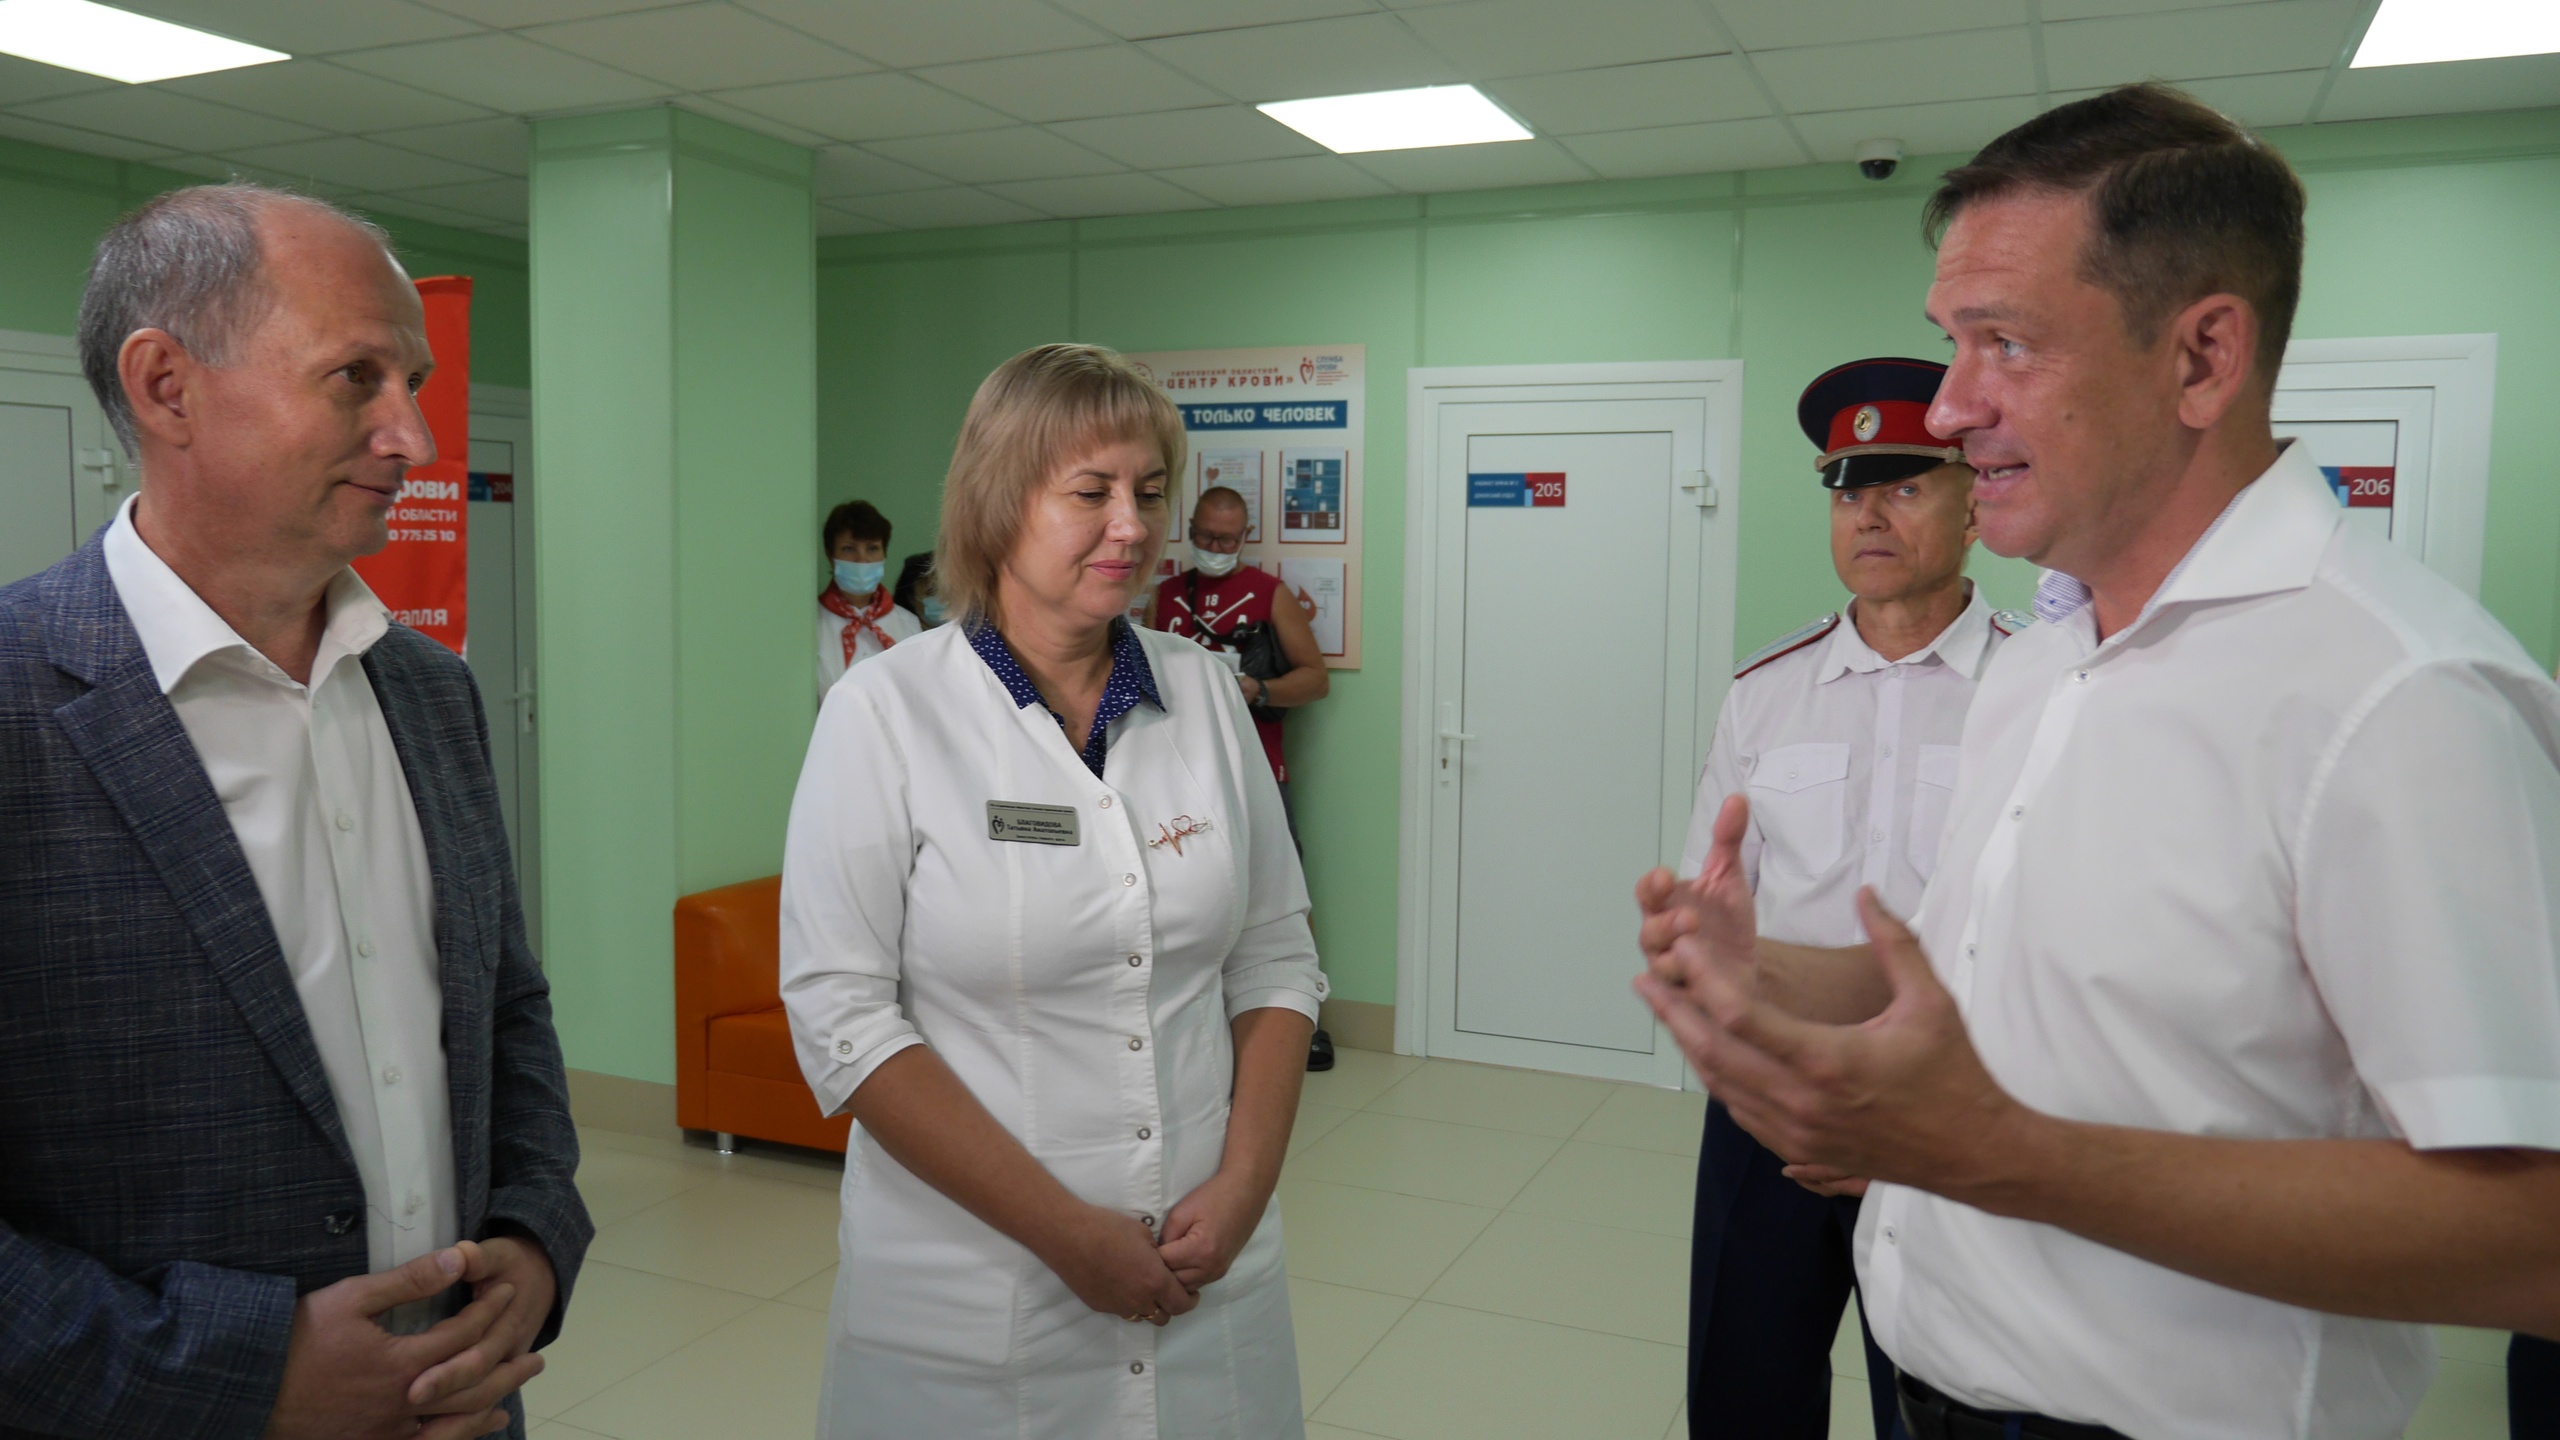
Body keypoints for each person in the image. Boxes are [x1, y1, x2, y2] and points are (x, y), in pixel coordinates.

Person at [1636, 84, 2560, 1440]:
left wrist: (1999, 1158)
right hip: (1940, 1392)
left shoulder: (2400, 697)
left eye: (2004, 344)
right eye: (1952, 345)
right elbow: (1986, 989)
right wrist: (1760, 970)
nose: (1951, 408)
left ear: (2201, 358)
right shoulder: (2050, 664)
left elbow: (2535, 1237)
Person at [0, 183, 588, 1439]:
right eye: (354, 378)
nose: (412, 438)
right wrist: (240, 1375)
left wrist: (535, 1239)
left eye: (413, 383)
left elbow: (506, 1010)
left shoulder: (429, 692)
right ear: (167, 387)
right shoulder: (16, 701)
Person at [778, 343, 1324, 1439]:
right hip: (972, 1298)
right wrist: (1064, 1233)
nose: (1131, 525)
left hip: (1206, 1271)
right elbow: (841, 1017)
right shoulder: (884, 712)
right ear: (997, 502)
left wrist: (1246, 1184)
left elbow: (1273, 958)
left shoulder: (1206, 694)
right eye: (1090, 492)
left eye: (1150, 494)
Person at [1683, 357, 2007, 1440]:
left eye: (1905, 487)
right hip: (1772, 1106)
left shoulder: (2036, 691)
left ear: (1974, 506)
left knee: (1936, 1403)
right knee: (1746, 1393)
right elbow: (1714, 916)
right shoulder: (1765, 694)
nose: (1867, 515)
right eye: (1846, 492)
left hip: (1950, 1111)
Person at [1146, 487, 1337, 1069]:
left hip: (1258, 762)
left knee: (1278, 891)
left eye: (1226, 539)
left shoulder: (1268, 593)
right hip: (1172, 765)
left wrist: (1257, 689)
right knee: (1177, 883)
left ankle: (1301, 1019)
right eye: (1205, 536)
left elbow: (1316, 679)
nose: (1215, 546)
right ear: (1190, 530)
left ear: (1245, 537)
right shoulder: (1166, 595)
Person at [816, 499, 920, 697]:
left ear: (884, 554)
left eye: (872, 548)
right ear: (831, 556)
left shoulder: (908, 624)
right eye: (849, 548)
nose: (862, 559)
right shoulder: (812, 624)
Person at [892, 551, 948, 628]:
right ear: (911, 599)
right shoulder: (899, 631)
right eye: (931, 592)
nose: (943, 598)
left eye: (948, 590)